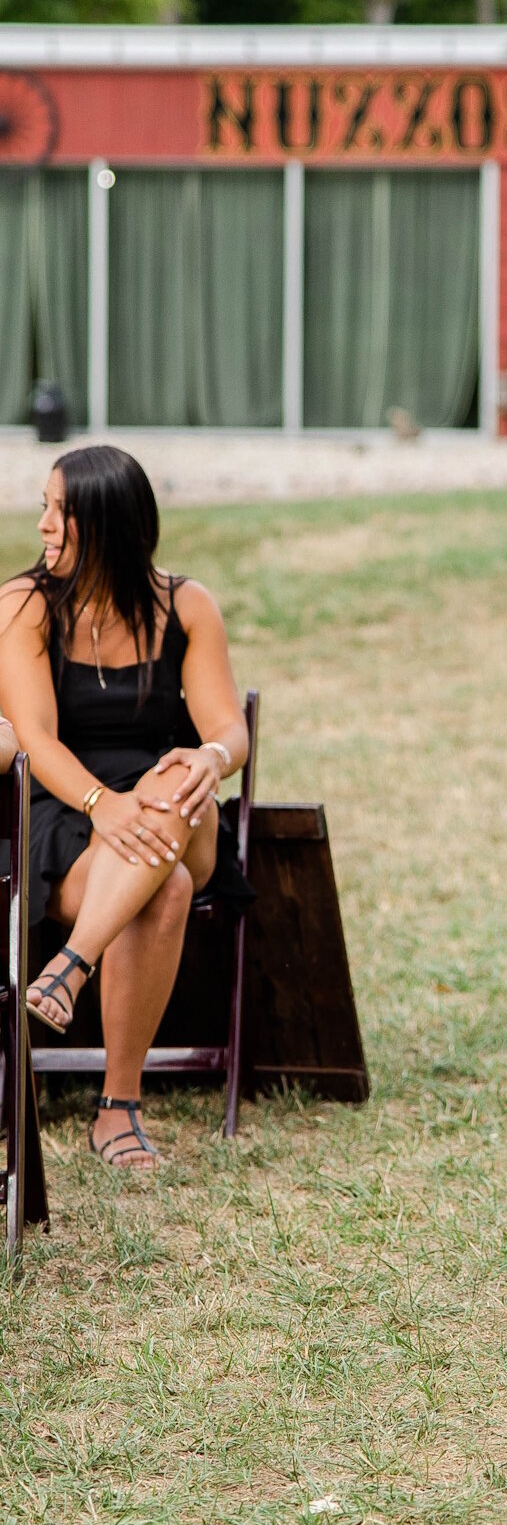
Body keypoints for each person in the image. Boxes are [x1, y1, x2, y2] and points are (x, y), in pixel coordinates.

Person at [0, 446, 251, 1170]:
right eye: (44, 506)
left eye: (60, 511)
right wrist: (101, 804)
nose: (44, 525)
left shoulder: (186, 605)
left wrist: (210, 758)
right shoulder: (25, 605)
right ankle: (117, 1110)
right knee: (161, 886)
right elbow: (35, 740)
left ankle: (71, 967)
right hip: (67, 820)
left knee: (174, 779)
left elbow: (226, 728)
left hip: (177, 815)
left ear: (106, 525)